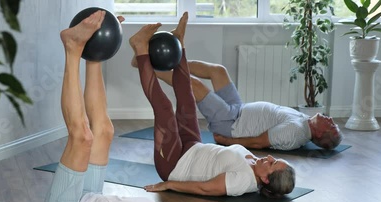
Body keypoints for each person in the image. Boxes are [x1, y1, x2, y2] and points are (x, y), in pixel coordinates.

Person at [0, 11, 233, 202]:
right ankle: (94, 55)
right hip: (90, 197)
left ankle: (73, 48)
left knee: (83, 137)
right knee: (105, 131)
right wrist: (102, 43)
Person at [130, 12, 295, 198]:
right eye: (275, 159)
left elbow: (205, 188)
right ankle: (179, 42)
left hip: (175, 164)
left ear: (265, 179)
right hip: (193, 145)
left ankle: (140, 47)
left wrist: (169, 184)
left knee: (165, 109)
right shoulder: (255, 162)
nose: (270, 158)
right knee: (188, 100)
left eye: (272, 164)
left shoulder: (243, 181)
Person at [132, 55, 342, 151]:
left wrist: (227, 142)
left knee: (194, 85)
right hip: (238, 109)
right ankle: (170, 60)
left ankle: (145, 65)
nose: (330, 119)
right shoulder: (304, 121)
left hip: (231, 123)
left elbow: (259, 142)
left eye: (331, 125)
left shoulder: (295, 132)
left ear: (321, 134)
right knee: (218, 71)